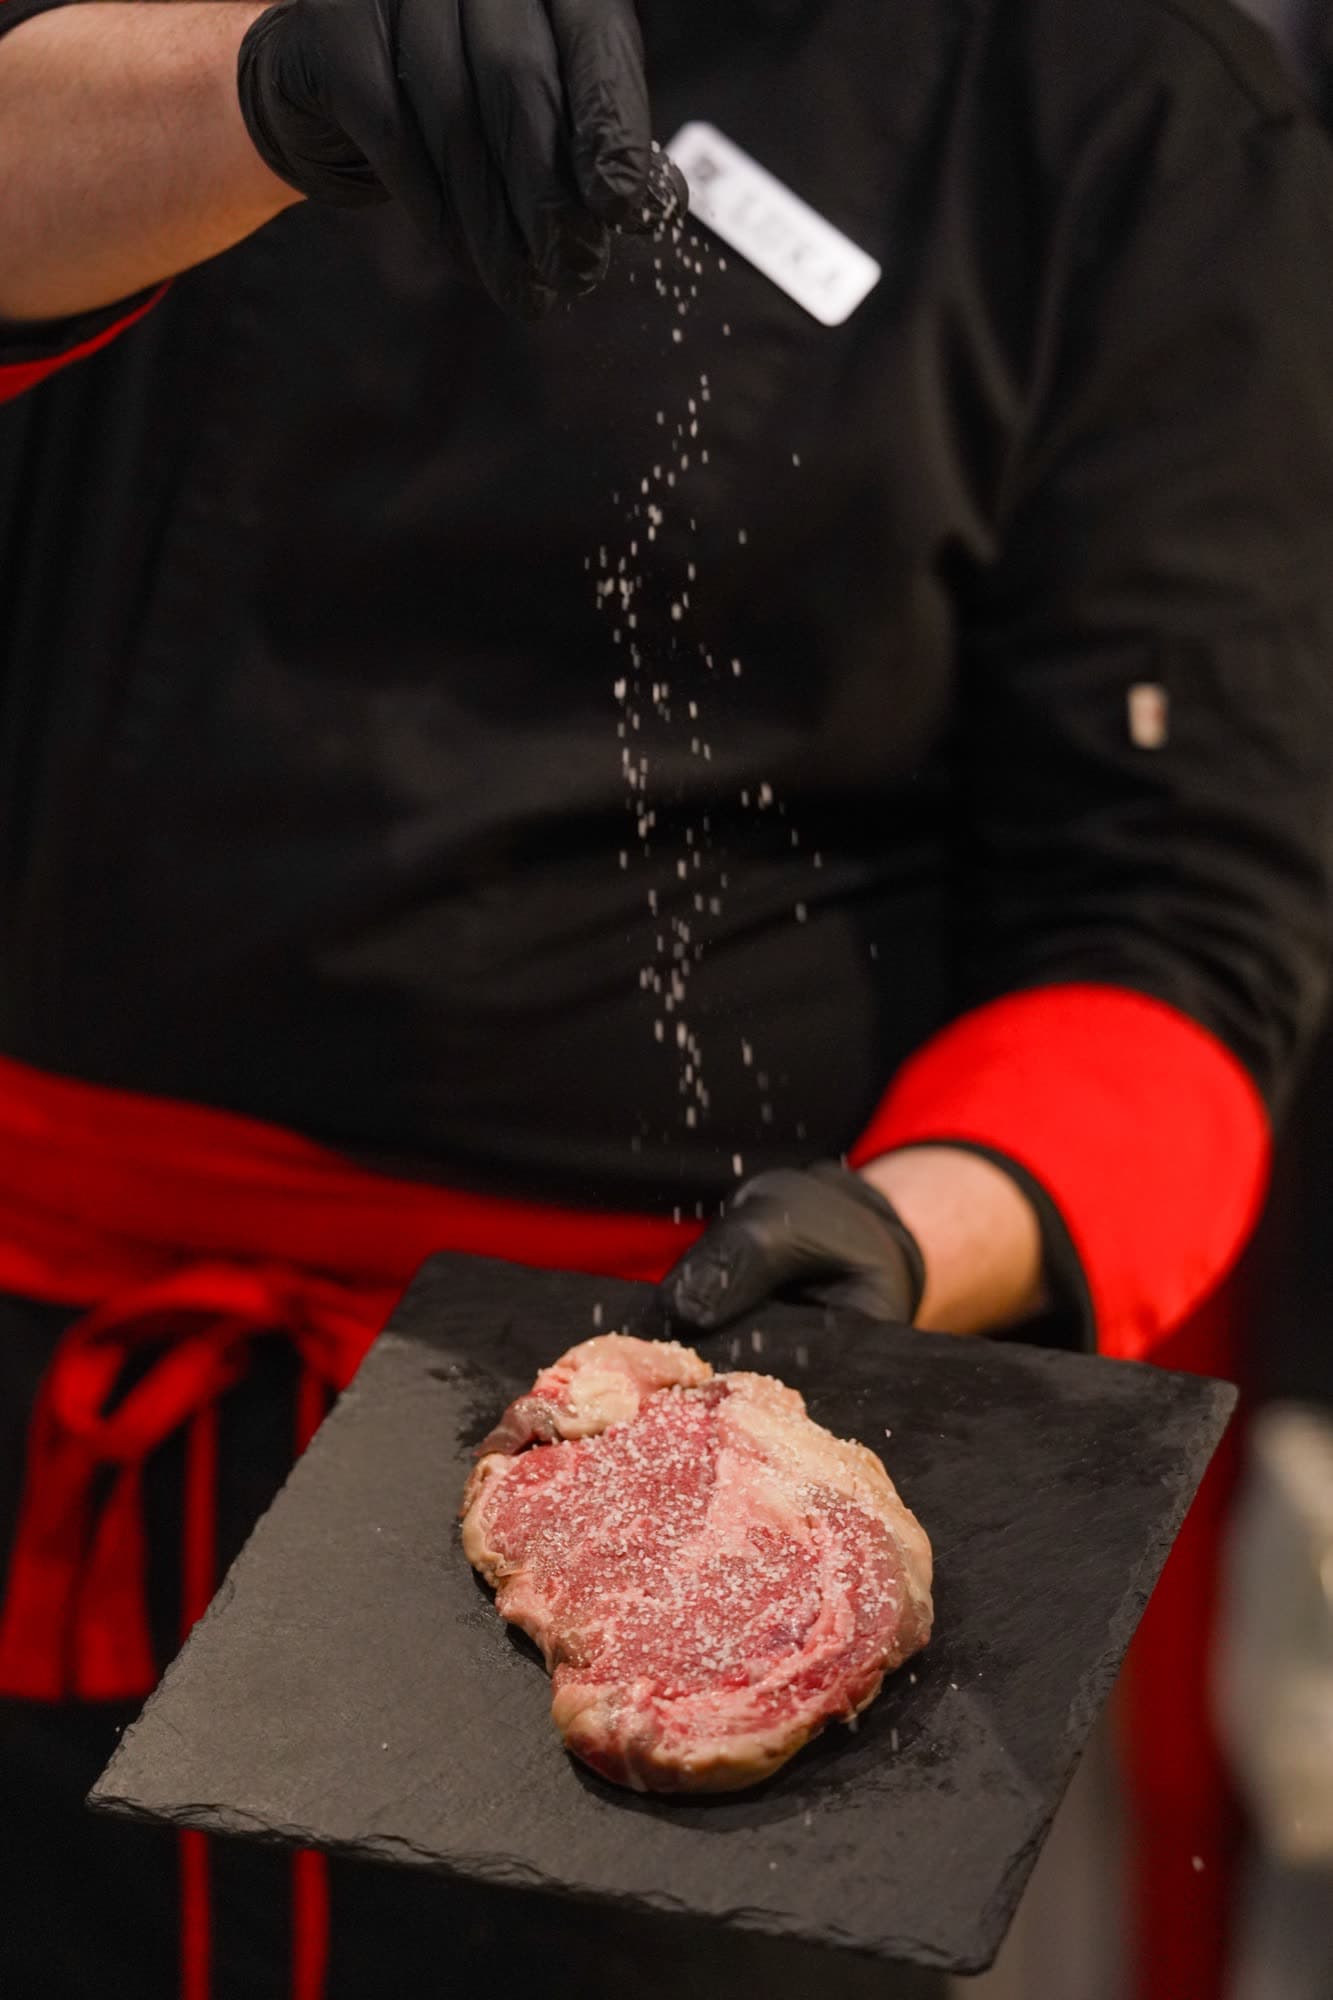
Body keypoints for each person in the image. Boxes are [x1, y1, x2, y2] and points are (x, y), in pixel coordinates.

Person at [2, 0, 1333, 1995]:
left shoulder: (1115, 93)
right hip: (46, 1397)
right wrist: (259, 79)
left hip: (697, 1431)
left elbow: (1176, 917)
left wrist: (916, 1227)